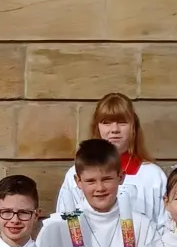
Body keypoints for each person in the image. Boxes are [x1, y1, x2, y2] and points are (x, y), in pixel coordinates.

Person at [54, 93, 167, 224]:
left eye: (122, 122)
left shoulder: (152, 175)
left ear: (134, 127)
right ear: (97, 127)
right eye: (106, 123)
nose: (114, 130)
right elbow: (64, 221)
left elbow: (164, 225)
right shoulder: (77, 172)